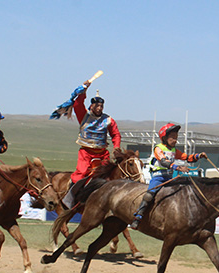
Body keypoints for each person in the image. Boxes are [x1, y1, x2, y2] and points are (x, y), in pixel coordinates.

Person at [52, 78, 122, 206]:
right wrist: (84, 89)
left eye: (101, 106)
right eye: (97, 105)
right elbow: (78, 103)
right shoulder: (84, 116)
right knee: (81, 174)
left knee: (108, 175)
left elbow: (115, 134)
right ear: (91, 106)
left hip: (102, 153)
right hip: (86, 153)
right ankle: (71, 198)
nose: (99, 108)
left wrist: (116, 147)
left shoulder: (108, 120)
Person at [129, 123, 206, 229]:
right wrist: (178, 168)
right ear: (164, 137)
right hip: (158, 177)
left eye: (176, 138)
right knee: (149, 195)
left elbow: (187, 157)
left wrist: (199, 156)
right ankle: (138, 216)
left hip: (169, 178)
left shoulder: (174, 150)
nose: (175, 140)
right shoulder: (158, 148)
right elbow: (164, 162)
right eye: (173, 138)